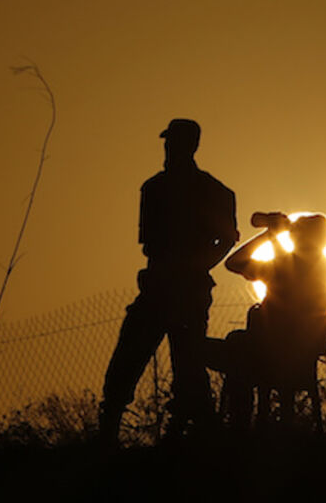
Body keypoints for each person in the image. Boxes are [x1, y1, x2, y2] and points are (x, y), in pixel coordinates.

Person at [98, 118, 238, 443]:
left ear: (186, 145)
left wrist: (195, 267)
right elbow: (224, 239)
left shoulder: (165, 189)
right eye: (168, 142)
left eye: (172, 142)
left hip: (174, 290)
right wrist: (199, 266)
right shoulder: (193, 190)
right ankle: (202, 437)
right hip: (171, 289)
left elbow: (224, 238)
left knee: (176, 366)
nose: (168, 148)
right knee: (152, 362)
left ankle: (201, 438)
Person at [218, 212, 326, 427]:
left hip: (270, 355)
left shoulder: (283, 265)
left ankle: (238, 426)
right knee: (237, 345)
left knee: (234, 348)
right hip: (301, 355)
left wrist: (268, 235)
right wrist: (272, 236)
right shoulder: (325, 268)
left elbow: (234, 262)